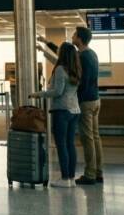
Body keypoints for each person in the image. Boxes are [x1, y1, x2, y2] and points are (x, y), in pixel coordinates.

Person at [39, 28, 103, 185]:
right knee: (95, 137)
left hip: (84, 102)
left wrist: (72, 96)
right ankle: (98, 171)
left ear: (79, 39)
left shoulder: (82, 57)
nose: (72, 37)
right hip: (95, 100)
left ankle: (90, 174)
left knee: (87, 138)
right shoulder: (91, 54)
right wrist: (46, 44)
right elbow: (64, 56)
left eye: (74, 35)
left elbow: (77, 78)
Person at [30, 42, 82, 188]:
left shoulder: (60, 69)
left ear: (63, 54)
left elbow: (57, 92)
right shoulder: (75, 68)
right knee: (70, 144)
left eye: (59, 51)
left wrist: (38, 94)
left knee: (61, 145)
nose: (57, 53)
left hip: (62, 111)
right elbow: (55, 62)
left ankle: (65, 178)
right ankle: (71, 177)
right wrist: (43, 50)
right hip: (74, 110)